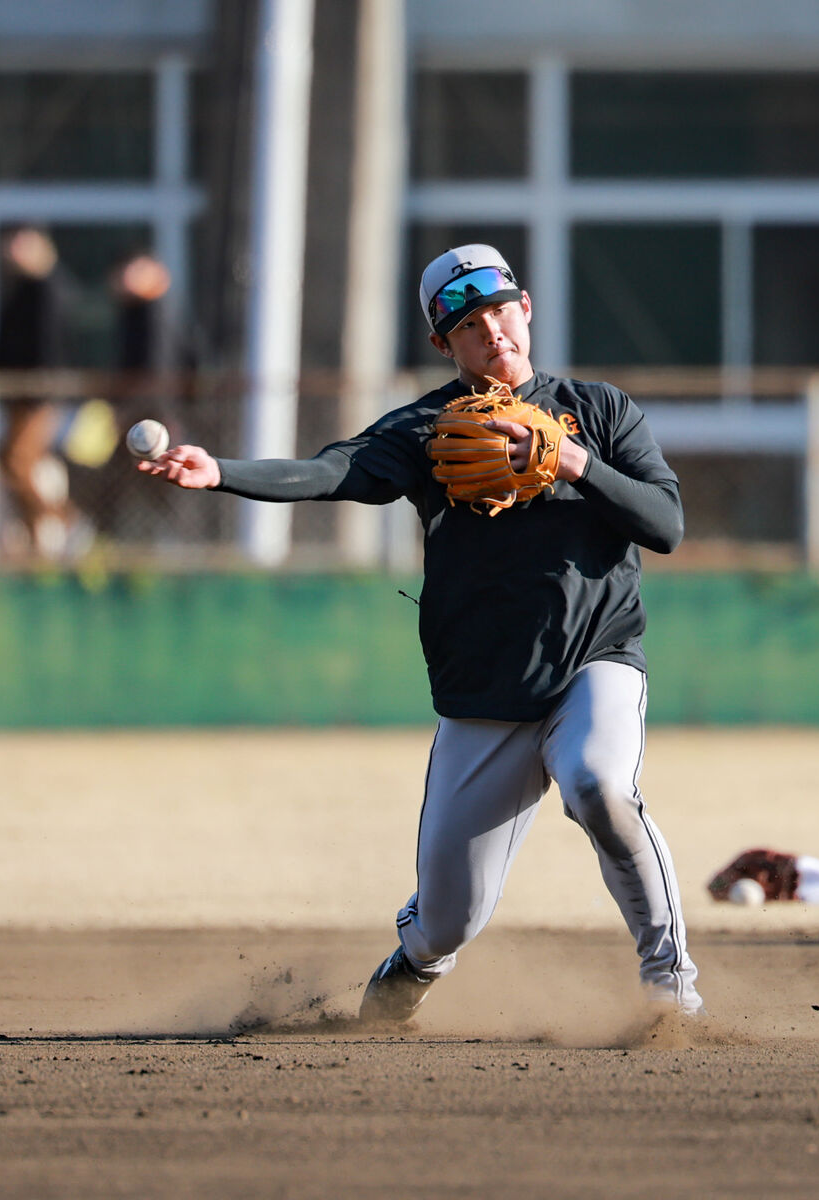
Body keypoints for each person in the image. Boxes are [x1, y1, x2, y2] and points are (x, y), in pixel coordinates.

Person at [138, 243, 704, 1023]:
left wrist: (575, 463)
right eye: (469, 324)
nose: (493, 332)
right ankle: (413, 965)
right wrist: (224, 471)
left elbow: (666, 524)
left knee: (600, 784)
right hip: (483, 690)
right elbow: (333, 470)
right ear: (444, 344)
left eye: (502, 311)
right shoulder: (425, 430)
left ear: (526, 308)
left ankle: (670, 985)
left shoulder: (599, 412)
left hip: (594, 661)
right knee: (447, 919)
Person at [0, 226, 107, 561]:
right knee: (13, 464)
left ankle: (68, 522)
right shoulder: (20, 289)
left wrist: (36, 388)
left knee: (17, 462)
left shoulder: (49, 291)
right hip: (20, 396)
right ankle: (37, 534)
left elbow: (47, 349)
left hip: (38, 397)